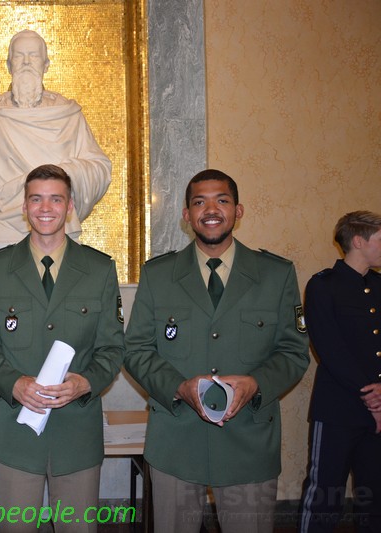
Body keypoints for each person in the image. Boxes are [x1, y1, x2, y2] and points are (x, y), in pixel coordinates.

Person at [124, 169, 310, 533]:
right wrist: (179, 388)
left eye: (221, 200)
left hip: (249, 444)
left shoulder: (276, 274)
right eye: (199, 202)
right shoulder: (158, 275)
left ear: (238, 211)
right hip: (176, 441)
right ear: (186, 214)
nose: (211, 209)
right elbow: (136, 349)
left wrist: (255, 384)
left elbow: (293, 351)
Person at [0, 164, 123, 532]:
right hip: (17, 435)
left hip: (77, 437)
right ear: (24, 207)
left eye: (56, 199)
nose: (45, 207)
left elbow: (113, 347)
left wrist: (85, 383)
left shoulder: (99, 268)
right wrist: (14, 383)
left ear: (69, 205)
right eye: (36, 198)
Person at [0, 30, 111, 243]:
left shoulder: (68, 115)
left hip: (58, 228)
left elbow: (100, 168)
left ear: (46, 65)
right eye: (19, 56)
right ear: (8, 65)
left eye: (33, 55)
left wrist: (66, 175)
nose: (26, 62)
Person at [298, 211, 381, 532]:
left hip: (378, 409)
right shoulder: (323, 286)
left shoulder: (378, 285)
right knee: (324, 494)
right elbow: (330, 349)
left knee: (374, 497)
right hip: (338, 409)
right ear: (358, 241)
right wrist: (371, 395)